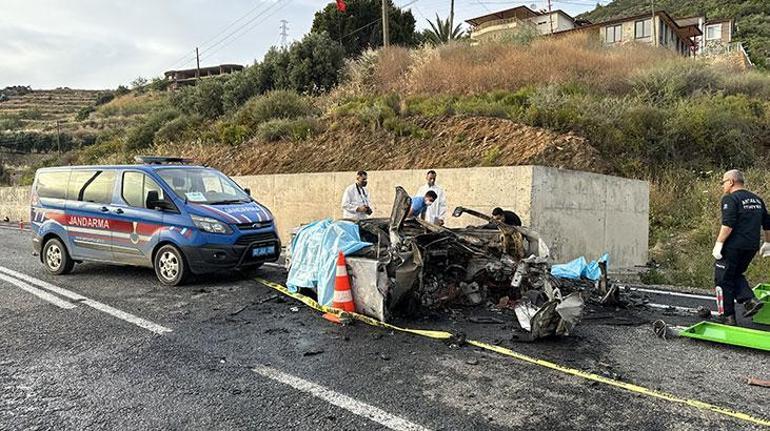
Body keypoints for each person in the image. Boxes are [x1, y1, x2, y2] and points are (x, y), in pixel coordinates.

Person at [712, 169, 768, 325]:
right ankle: (750, 300)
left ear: (731, 182)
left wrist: (718, 244)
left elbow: (728, 225)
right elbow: (768, 224)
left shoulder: (730, 199)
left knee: (722, 279)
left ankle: (727, 316)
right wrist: (768, 243)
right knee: (735, 274)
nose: (723, 186)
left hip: (732, 247)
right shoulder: (757, 200)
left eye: (723, 182)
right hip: (751, 246)